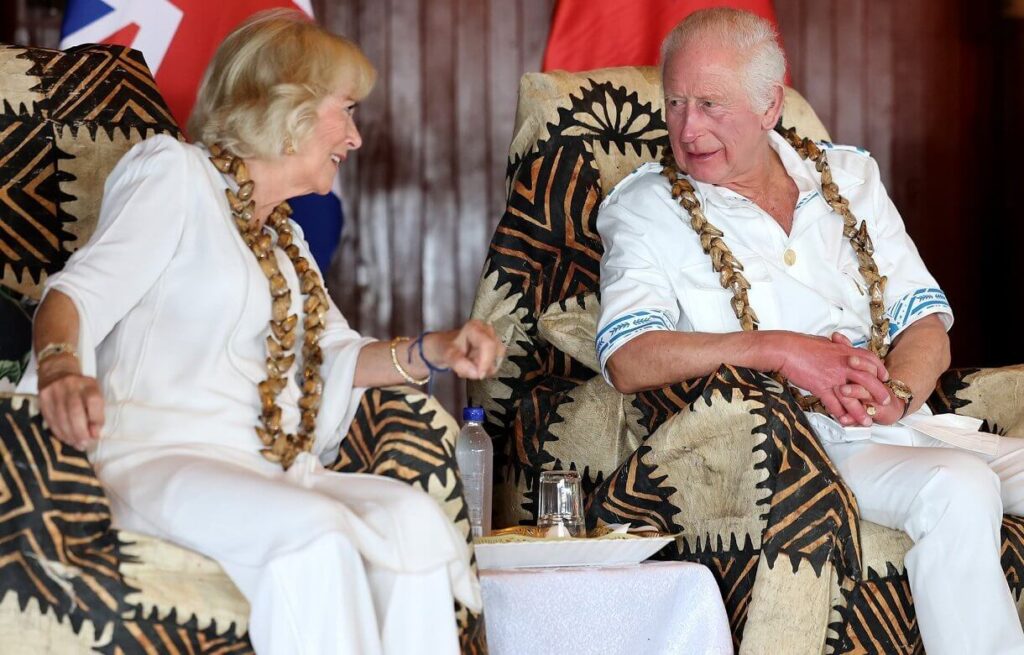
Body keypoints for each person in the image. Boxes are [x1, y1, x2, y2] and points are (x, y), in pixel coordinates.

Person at [17, 9, 504, 655]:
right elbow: (76, 291)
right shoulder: (176, 174)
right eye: (347, 109)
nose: (355, 138)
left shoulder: (285, 235)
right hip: (154, 456)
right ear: (289, 105)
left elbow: (334, 354)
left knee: (412, 519)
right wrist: (59, 368)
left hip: (266, 467)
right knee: (316, 535)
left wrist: (433, 349)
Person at [595, 8, 1024, 655]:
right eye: (675, 103)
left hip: (898, 422)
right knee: (958, 487)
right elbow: (628, 357)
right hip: (789, 445)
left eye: (711, 104)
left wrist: (898, 391)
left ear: (770, 104)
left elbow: (926, 322)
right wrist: (781, 350)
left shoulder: (849, 177)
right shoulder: (645, 206)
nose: (688, 127)